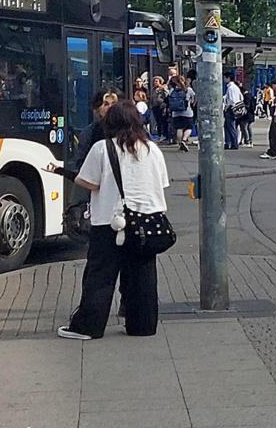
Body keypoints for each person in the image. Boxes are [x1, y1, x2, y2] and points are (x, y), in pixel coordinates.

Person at [53, 101, 170, 340]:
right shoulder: (152, 149)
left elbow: (89, 182)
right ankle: (143, 326)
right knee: (143, 276)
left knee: (101, 276)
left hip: (111, 221)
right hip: (149, 222)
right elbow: (162, 182)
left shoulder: (102, 148)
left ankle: (88, 327)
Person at [168, 75, 195, 152]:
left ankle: (180, 145)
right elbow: (193, 99)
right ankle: (184, 140)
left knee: (179, 128)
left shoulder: (172, 90)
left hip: (176, 113)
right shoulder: (188, 90)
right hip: (187, 112)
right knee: (189, 127)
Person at [223, 75, 244, 150]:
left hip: (231, 109)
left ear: (228, 78)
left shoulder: (231, 88)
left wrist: (226, 107)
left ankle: (233, 143)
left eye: (225, 77)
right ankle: (229, 142)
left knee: (230, 126)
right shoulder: (235, 87)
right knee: (228, 126)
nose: (224, 79)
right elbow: (241, 97)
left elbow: (231, 100)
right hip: (235, 108)